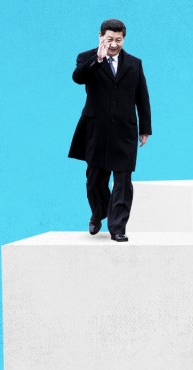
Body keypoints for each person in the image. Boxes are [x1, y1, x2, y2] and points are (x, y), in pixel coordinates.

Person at [68, 18, 152, 243]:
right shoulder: (87, 58)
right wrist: (98, 59)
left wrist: (145, 129)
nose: (114, 44)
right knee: (95, 179)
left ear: (123, 39)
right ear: (100, 37)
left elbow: (142, 97)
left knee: (123, 181)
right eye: (109, 39)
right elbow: (78, 78)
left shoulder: (134, 63)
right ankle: (98, 212)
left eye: (118, 39)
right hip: (96, 129)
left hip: (124, 131)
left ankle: (118, 227)